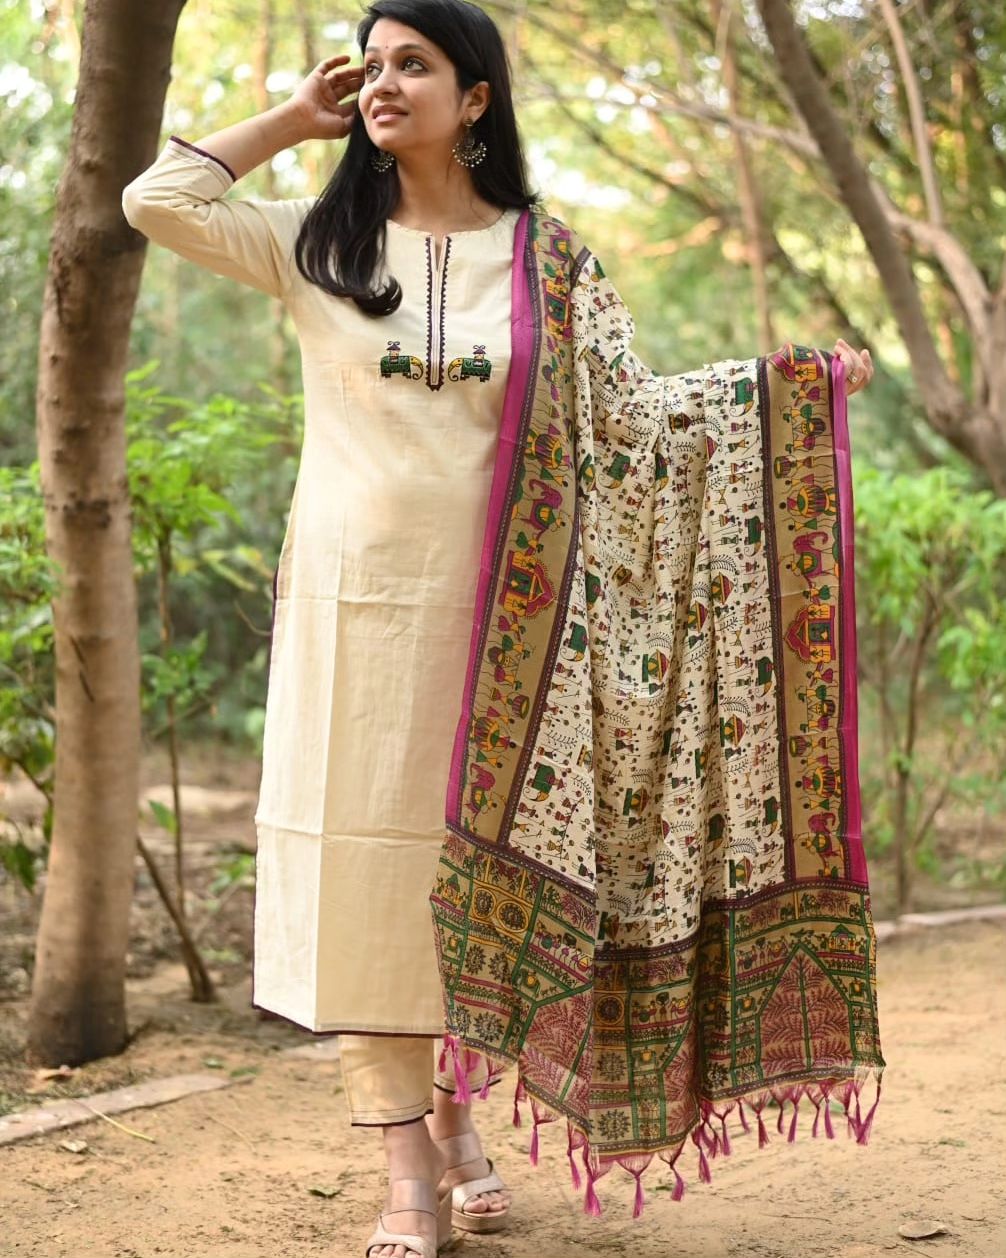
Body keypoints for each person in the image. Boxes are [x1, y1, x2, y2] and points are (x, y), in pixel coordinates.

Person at [122, 3, 880, 1256]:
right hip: (352, 618)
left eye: (411, 64)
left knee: (470, 869)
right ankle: (406, 1176)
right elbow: (157, 199)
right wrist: (293, 120)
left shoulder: (548, 261)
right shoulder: (317, 242)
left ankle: (458, 1117)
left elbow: (634, 422)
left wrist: (786, 390)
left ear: (475, 97)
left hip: (514, 634)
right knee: (367, 878)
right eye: (370, 66)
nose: (381, 84)